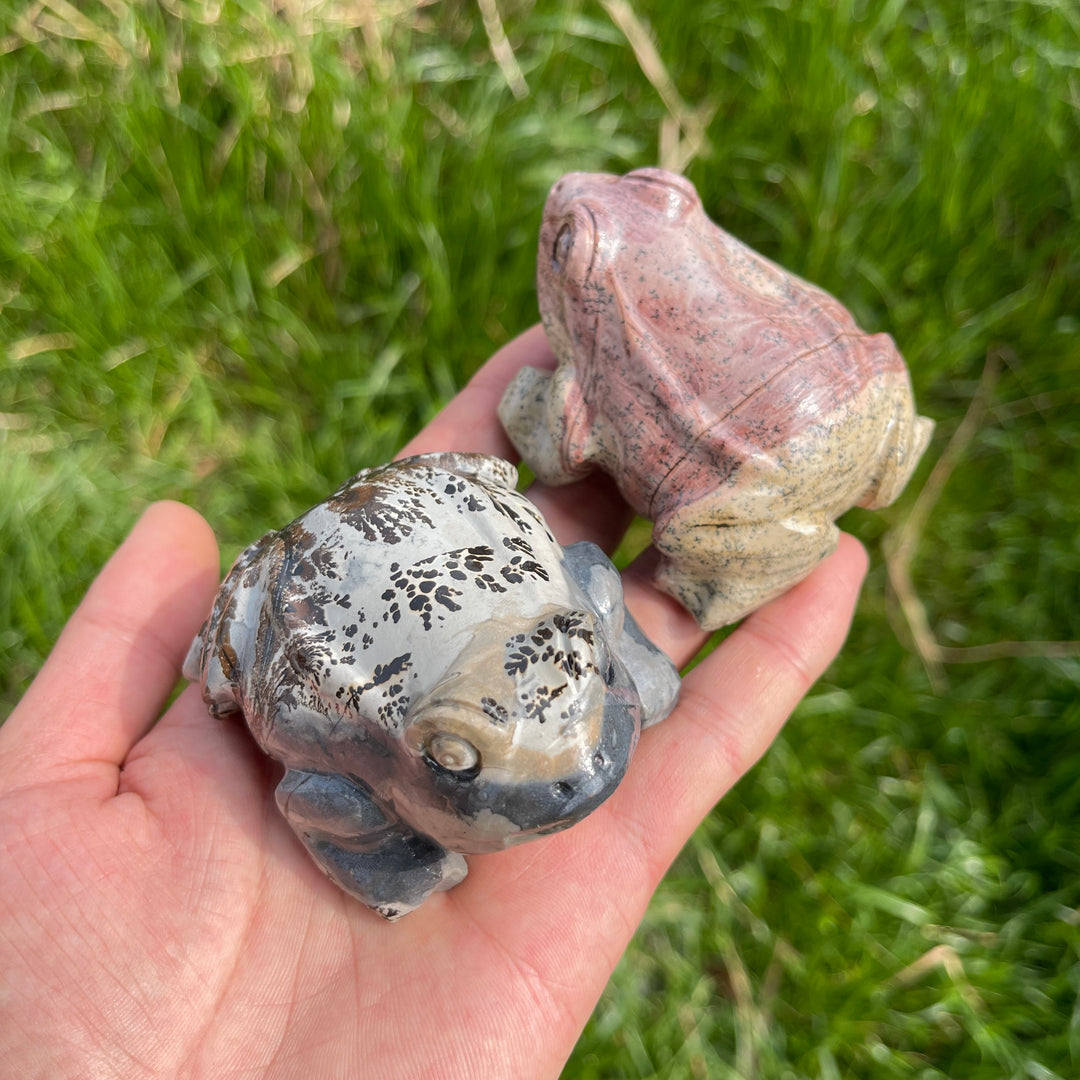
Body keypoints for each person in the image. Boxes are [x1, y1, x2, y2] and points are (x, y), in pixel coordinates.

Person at [0, 326, 867, 1078]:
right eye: (459, 762)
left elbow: (593, 576)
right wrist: (389, 857)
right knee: (330, 722)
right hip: (339, 614)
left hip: (460, 535)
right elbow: (308, 795)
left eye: (587, 671)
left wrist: (612, 661)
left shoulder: (570, 613)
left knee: (559, 608)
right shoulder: (349, 760)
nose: (578, 771)